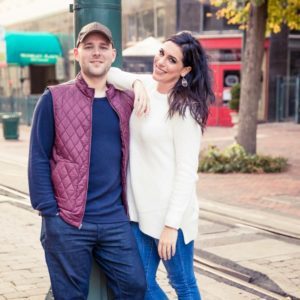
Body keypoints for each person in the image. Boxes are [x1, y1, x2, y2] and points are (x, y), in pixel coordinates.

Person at [28, 22, 148, 299]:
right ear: (76, 53)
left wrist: (137, 81)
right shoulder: (54, 98)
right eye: (89, 47)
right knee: (70, 296)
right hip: (68, 220)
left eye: (103, 48)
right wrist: (50, 213)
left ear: (113, 54)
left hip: (114, 220)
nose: (96, 53)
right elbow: (38, 157)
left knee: (134, 286)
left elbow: (162, 84)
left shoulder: (126, 100)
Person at [108, 31, 214, 299]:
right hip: (139, 211)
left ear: (185, 70)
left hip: (170, 216)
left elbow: (186, 172)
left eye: (172, 60)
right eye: (161, 53)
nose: (161, 62)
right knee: (137, 285)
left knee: (183, 284)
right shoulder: (146, 84)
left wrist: (171, 226)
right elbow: (110, 73)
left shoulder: (185, 109)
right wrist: (136, 84)